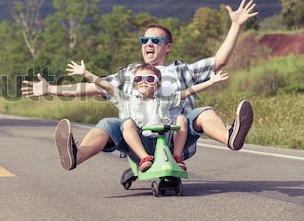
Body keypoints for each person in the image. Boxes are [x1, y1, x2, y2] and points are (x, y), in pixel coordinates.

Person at [22, 0, 257, 171]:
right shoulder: (130, 74)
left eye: (156, 40)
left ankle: (230, 138)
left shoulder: (181, 70)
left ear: (168, 47)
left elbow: (219, 61)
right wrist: (51, 89)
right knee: (108, 123)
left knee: (204, 112)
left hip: (177, 137)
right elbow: (96, 87)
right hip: (138, 140)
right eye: (145, 40)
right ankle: (75, 155)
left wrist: (236, 25)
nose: (149, 43)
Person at [66, 60, 229, 172]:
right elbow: (106, 85)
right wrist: (85, 73)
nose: (144, 81)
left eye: (150, 78)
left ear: (158, 84)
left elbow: (189, 91)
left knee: (181, 119)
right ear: (135, 84)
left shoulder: (166, 99)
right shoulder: (126, 99)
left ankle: (177, 157)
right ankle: (145, 159)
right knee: (127, 123)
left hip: (166, 142)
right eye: (139, 79)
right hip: (141, 144)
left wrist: (211, 81)